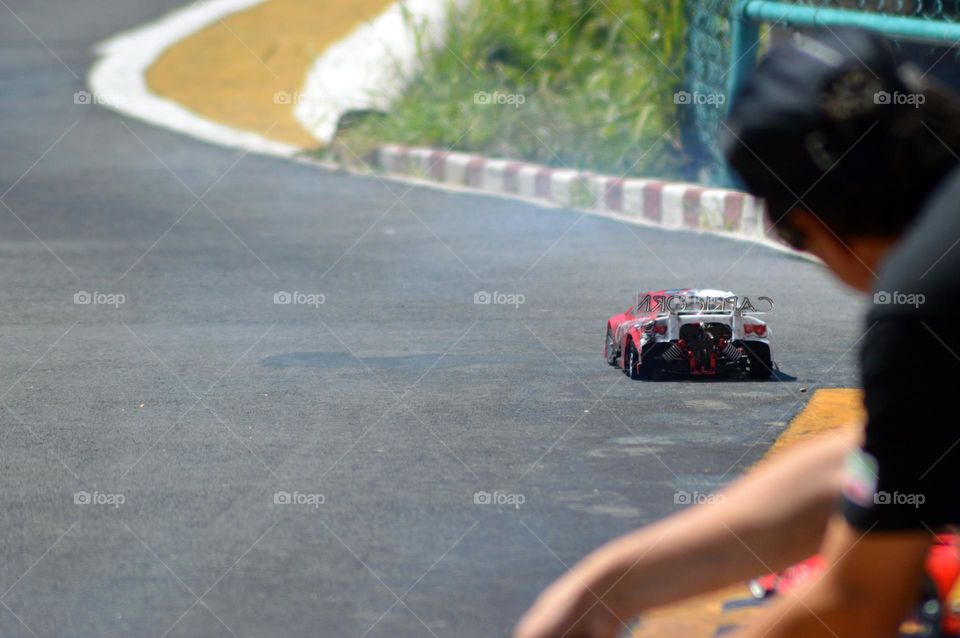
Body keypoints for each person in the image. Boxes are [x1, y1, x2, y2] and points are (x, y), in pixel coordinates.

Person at [514, 28, 960, 638]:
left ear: (806, 220)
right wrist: (610, 585)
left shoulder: (922, 309)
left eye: (792, 237)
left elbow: (857, 601)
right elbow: (898, 452)